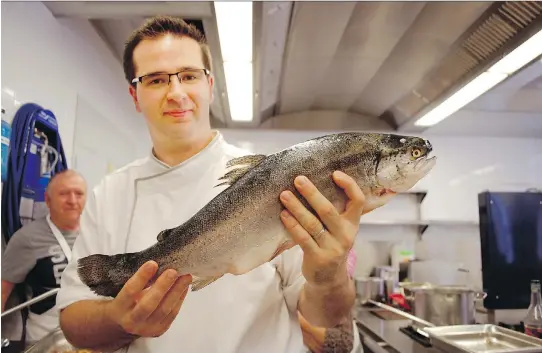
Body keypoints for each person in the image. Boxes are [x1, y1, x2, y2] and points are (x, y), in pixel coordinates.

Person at [56, 16, 365, 353]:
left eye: (188, 76)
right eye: (156, 80)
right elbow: (73, 320)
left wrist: (330, 275)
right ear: (134, 95)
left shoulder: (277, 179)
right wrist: (119, 320)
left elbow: (323, 314)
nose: (176, 93)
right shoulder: (109, 194)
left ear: (209, 84)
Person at [1, 169, 87, 346]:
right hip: (45, 339)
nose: (72, 200)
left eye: (78, 194)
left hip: (90, 335)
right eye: (64, 194)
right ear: (48, 200)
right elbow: (2, 291)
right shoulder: (27, 239)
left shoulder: (96, 233)